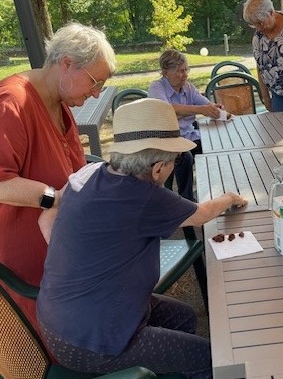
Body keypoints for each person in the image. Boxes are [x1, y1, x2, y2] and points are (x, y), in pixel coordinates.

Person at [36, 98, 247, 379]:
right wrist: (231, 197)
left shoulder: (89, 172)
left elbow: (45, 218)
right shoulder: (144, 196)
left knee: (183, 316)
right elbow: (201, 214)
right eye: (176, 160)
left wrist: (80, 264)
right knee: (214, 360)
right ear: (158, 168)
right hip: (91, 341)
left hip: (57, 319)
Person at [0, 22, 116, 335]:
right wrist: (53, 197)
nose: (95, 94)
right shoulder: (13, 102)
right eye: (94, 82)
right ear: (66, 64)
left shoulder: (59, 101)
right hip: (32, 275)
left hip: (67, 258)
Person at [148, 49, 223, 201]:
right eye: (180, 71)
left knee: (214, 146)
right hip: (164, 142)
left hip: (188, 137)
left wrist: (216, 109)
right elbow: (167, 110)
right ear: (165, 72)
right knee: (185, 156)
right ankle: (187, 200)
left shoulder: (188, 87)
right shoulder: (156, 87)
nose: (185, 75)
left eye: (186, 70)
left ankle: (211, 192)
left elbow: (206, 105)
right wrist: (200, 110)